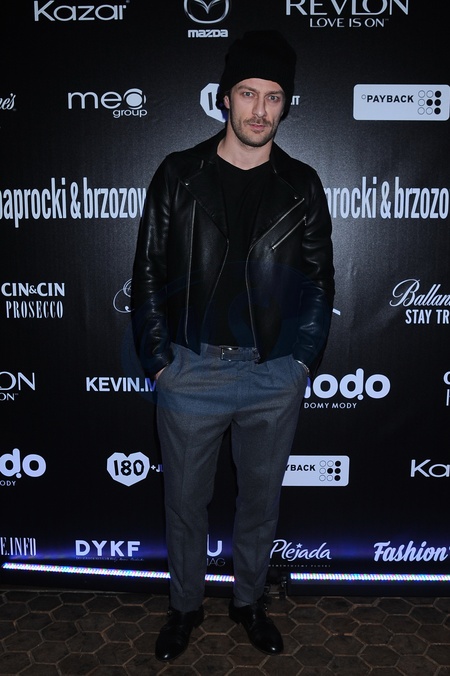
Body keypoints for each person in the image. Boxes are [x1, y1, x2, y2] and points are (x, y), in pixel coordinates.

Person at [131, 29, 335, 662]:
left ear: (285, 104)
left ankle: (249, 602)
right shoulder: (178, 173)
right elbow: (147, 271)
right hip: (191, 369)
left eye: (273, 97)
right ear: (224, 98)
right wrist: (161, 361)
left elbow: (320, 281)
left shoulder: (302, 184)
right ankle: (184, 607)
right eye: (248, 93)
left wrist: (301, 362)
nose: (259, 110)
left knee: (260, 505)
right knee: (185, 505)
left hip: (272, 374)